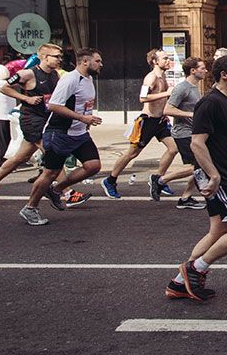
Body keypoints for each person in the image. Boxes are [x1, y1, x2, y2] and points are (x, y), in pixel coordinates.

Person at [166, 54, 227, 302]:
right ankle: (195, 268)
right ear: (224, 75)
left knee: (218, 230)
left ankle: (178, 284)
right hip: (219, 176)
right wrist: (214, 175)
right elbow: (197, 143)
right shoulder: (210, 103)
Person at [20, 48, 103, 226]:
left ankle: (56, 190)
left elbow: (83, 104)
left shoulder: (88, 79)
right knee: (50, 172)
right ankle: (30, 208)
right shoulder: (70, 79)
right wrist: (82, 117)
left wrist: (86, 120)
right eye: (98, 61)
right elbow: (54, 106)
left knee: (93, 166)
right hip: (60, 133)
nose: (101, 64)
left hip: (79, 132)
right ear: (85, 62)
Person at [0, 45, 64, 205]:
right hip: (31, 119)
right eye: (56, 56)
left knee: (20, 157)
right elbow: (5, 88)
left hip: (45, 119)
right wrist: (26, 99)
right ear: (45, 57)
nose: (60, 59)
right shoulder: (27, 74)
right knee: (53, 153)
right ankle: (67, 192)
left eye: (60, 56)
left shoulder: (54, 75)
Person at [103, 49, 179, 199]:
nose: (167, 60)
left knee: (173, 148)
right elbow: (142, 98)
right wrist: (166, 93)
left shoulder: (163, 76)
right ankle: (110, 180)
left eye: (168, 58)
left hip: (160, 121)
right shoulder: (150, 78)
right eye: (164, 58)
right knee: (132, 153)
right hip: (147, 121)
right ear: (154, 61)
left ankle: (159, 180)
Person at [164, 57, 207, 208]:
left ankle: (186, 198)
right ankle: (161, 180)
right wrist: (191, 115)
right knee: (199, 166)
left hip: (193, 132)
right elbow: (168, 109)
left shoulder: (195, 88)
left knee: (201, 166)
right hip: (183, 133)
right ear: (193, 71)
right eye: (202, 68)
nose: (205, 71)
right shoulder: (182, 88)